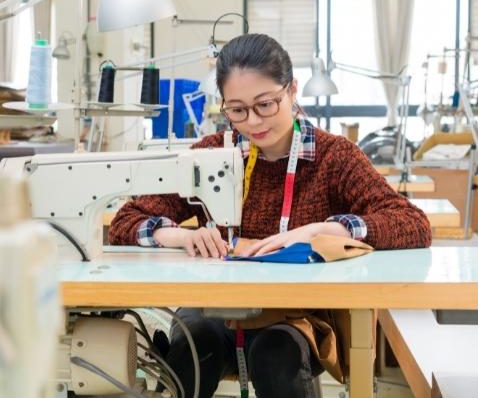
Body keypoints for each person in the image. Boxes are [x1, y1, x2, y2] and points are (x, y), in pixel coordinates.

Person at [108, 33, 432, 398]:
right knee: (190, 352)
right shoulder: (211, 154)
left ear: (292, 90)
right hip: (215, 308)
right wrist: (181, 236)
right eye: (237, 110)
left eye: (265, 104)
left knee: (277, 357)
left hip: (292, 312)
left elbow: (412, 223)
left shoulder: (333, 157)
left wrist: (323, 229)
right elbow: (126, 219)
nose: (252, 122)